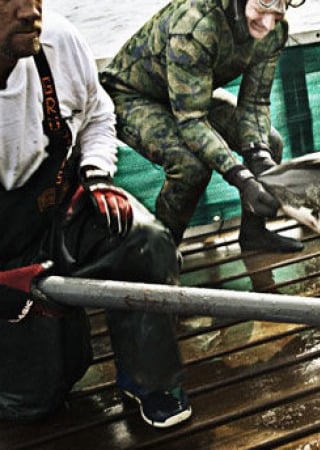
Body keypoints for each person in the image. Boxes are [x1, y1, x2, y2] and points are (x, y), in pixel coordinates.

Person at [0, 0, 192, 428]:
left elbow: (99, 114)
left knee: (146, 241)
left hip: (56, 220)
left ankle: (151, 380)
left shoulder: (59, 41)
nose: (30, 11)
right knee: (30, 404)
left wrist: (96, 174)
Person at [100, 0, 305, 252]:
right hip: (133, 96)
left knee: (270, 142)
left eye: (277, 12)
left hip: (190, 94)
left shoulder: (274, 31)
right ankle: (159, 255)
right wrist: (241, 177)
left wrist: (258, 155)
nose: (267, 24)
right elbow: (192, 119)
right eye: (262, 8)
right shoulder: (195, 24)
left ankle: (254, 234)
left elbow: (255, 101)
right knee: (190, 167)